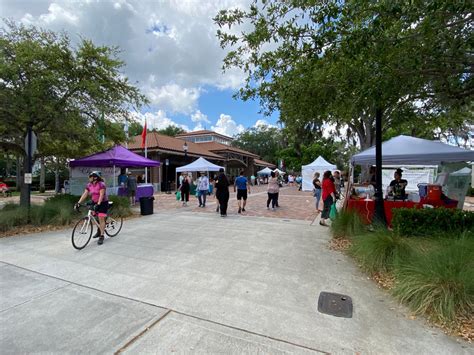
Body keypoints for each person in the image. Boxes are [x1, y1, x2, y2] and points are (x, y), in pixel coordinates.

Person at [75, 171, 108, 245]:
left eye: (90, 177)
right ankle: (99, 231)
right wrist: (79, 203)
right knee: (94, 217)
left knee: (100, 218)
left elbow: (101, 195)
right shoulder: (89, 185)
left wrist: (98, 204)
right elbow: (85, 194)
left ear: (95, 177)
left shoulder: (101, 184)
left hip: (103, 202)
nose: (89, 178)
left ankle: (102, 236)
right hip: (94, 201)